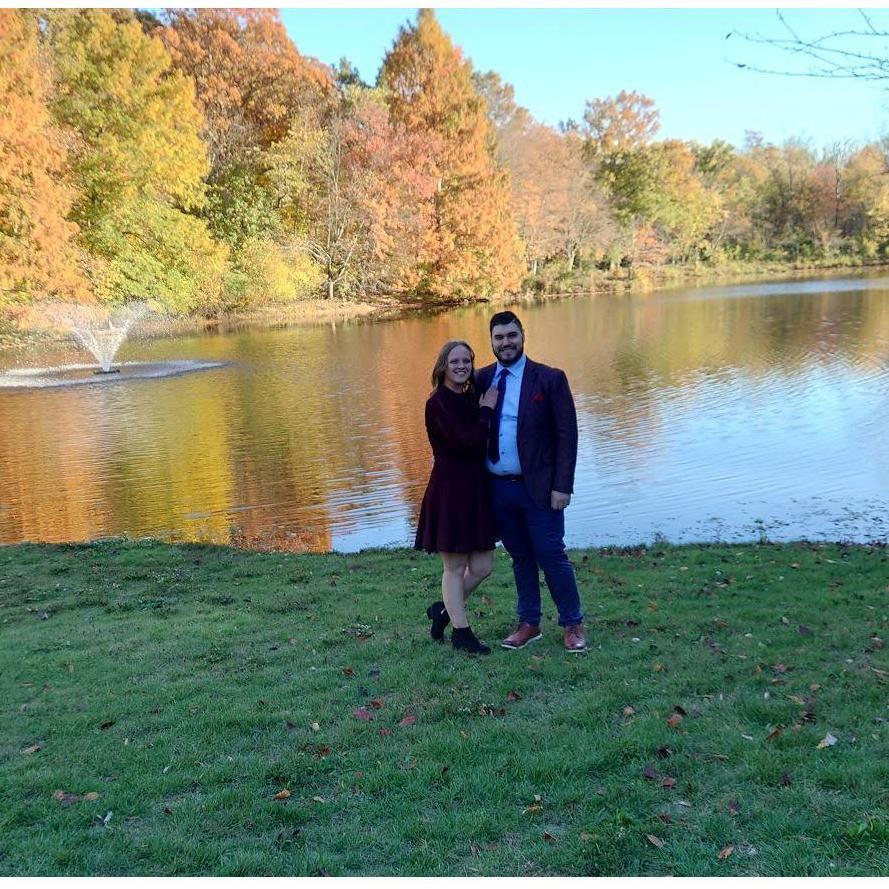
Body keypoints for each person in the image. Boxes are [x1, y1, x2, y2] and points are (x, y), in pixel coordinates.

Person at [475, 311, 587, 652]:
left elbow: (567, 435)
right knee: (521, 557)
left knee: (551, 554)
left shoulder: (549, 379)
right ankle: (529, 623)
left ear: (523, 335)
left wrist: (562, 486)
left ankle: (572, 623)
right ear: (491, 341)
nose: (505, 342)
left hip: (539, 488)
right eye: (499, 337)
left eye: (511, 335)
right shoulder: (481, 379)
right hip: (499, 489)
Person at [415, 340, 500, 654]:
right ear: (443, 366)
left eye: (467, 361)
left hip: (476, 489)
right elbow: (466, 441)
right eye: (455, 361)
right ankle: (462, 634)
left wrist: (482, 406)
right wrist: (487, 410)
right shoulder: (438, 402)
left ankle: (442, 611)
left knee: (483, 566)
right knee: (454, 567)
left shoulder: (468, 398)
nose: (462, 366)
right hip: (450, 491)